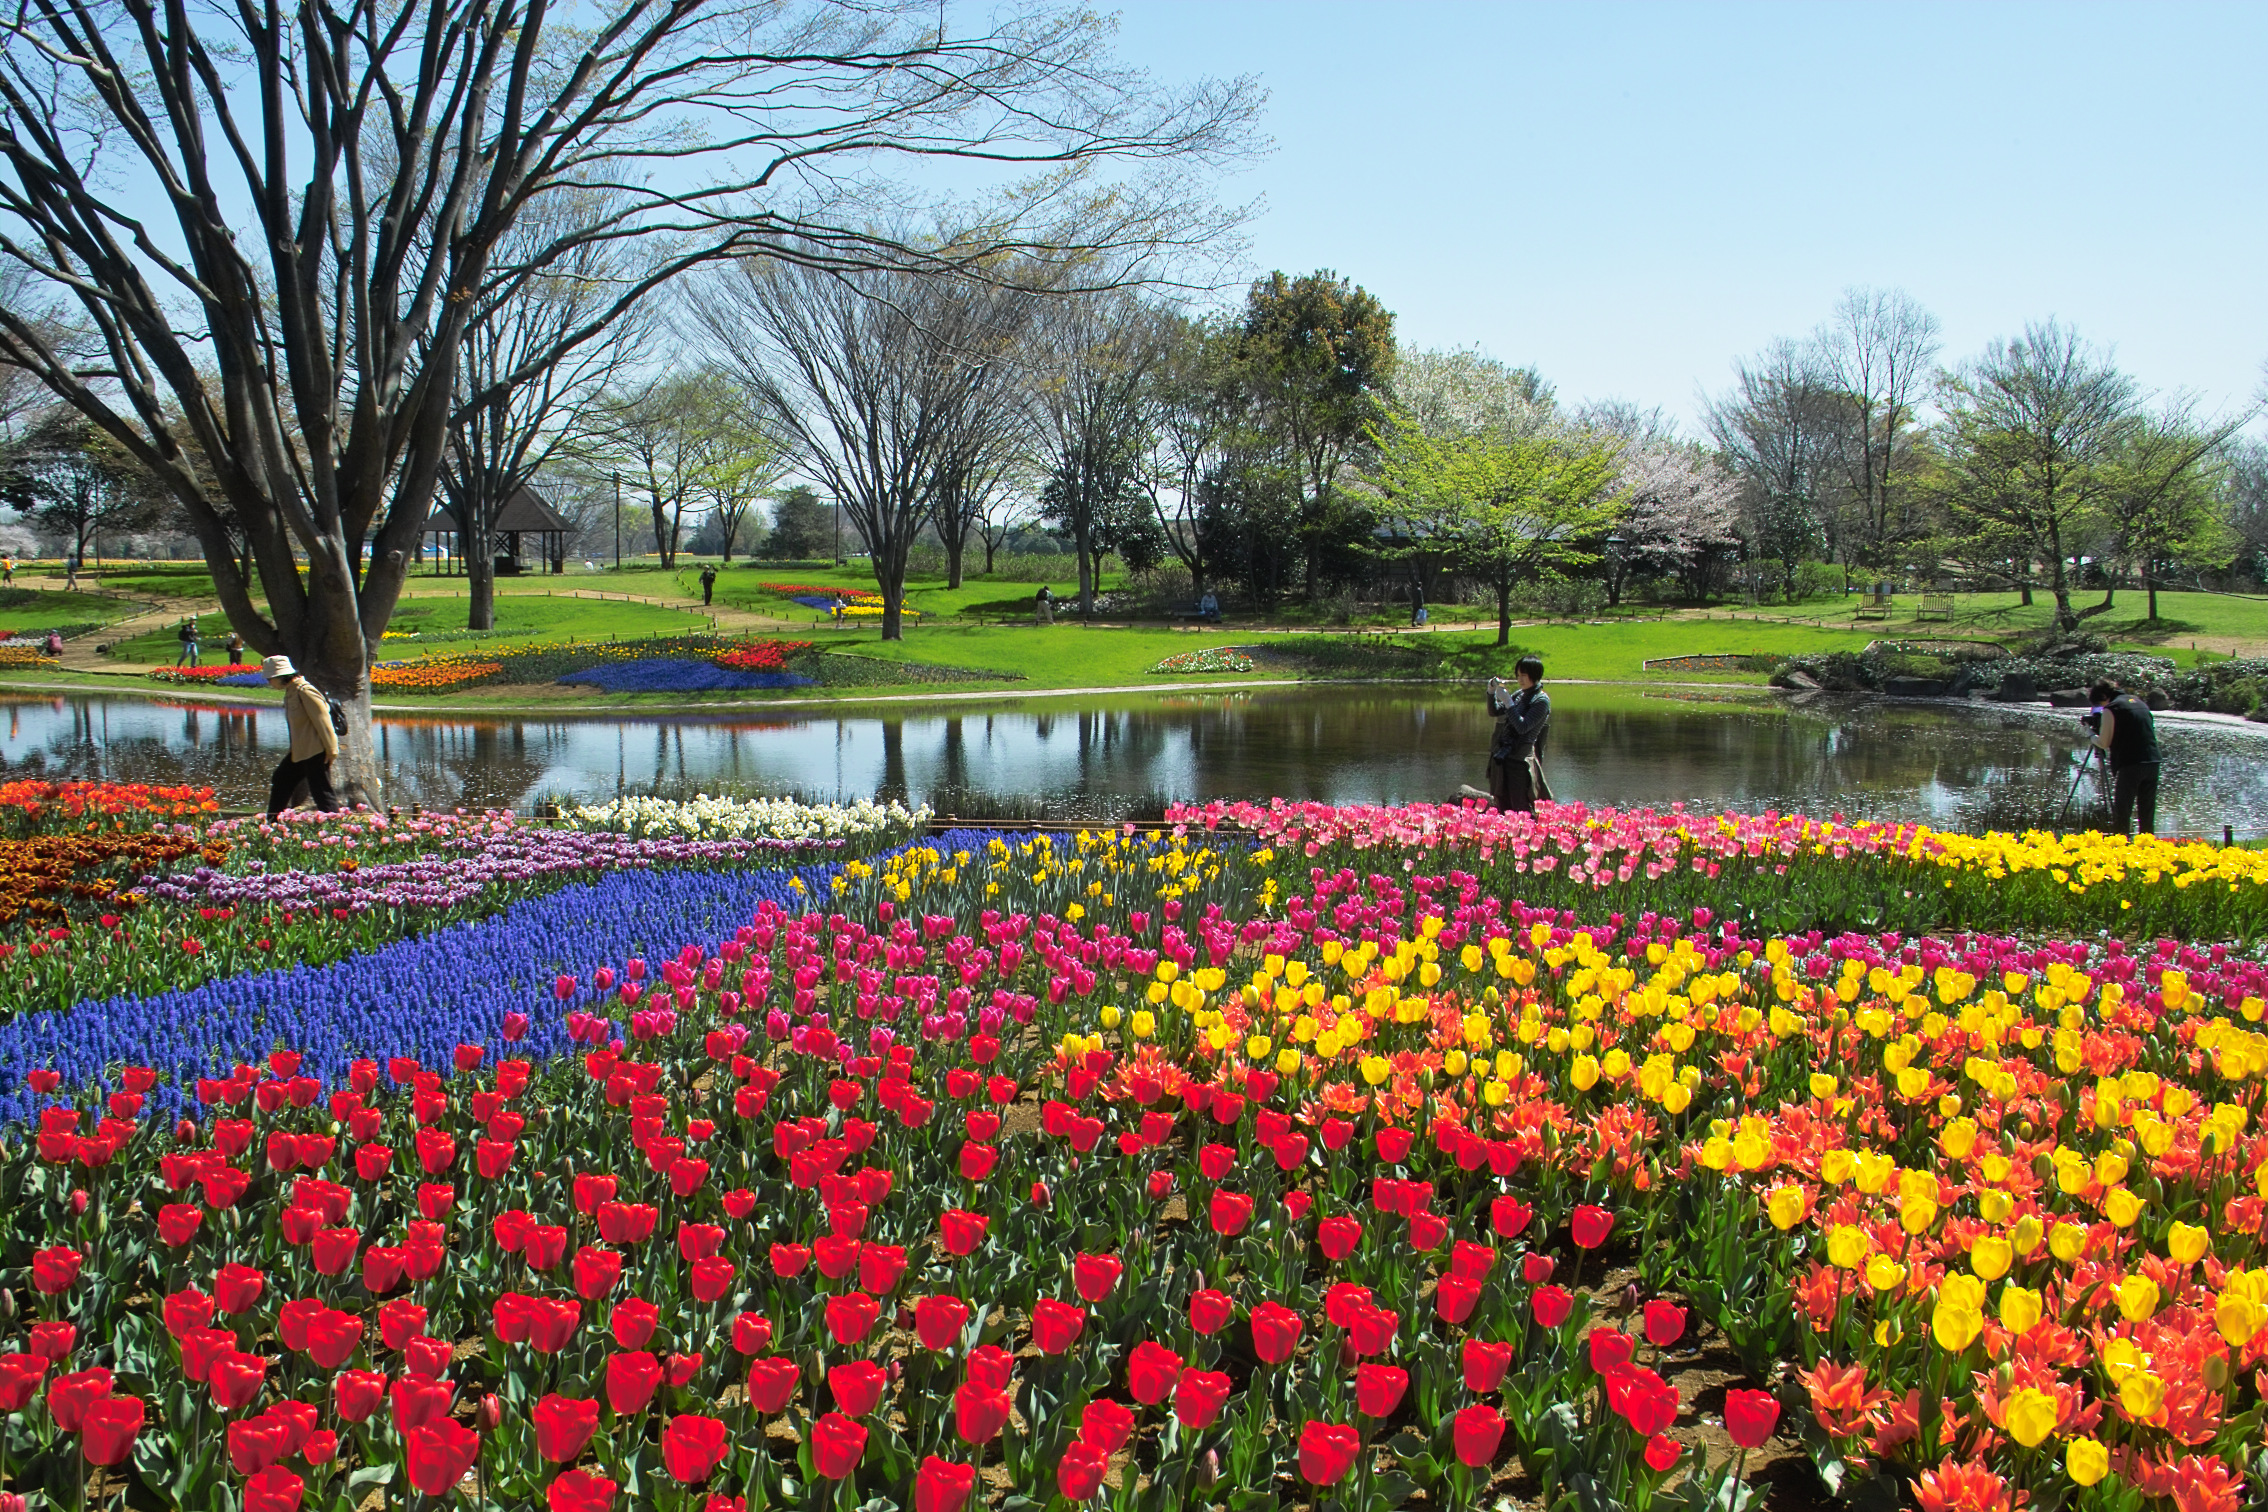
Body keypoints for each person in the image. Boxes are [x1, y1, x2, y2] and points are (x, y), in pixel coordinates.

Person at [262, 654, 342, 817]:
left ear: (280, 676)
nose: (269, 682)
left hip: (315, 751)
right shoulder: (291, 692)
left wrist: (332, 749)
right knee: (281, 780)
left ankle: (336, 827)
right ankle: (272, 823)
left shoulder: (305, 691)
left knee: (321, 791)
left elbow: (323, 721)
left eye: (270, 678)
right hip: (299, 752)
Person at [2088, 677, 2160, 837]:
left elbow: (2104, 742)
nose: (2102, 708)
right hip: (2153, 761)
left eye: (2100, 704)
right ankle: (2148, 848)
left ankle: (2120, 847)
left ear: (2104, 697)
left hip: (2131, 763)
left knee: (2123, 810)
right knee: (2147, 811)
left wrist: (2091, 734)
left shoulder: (2112, 708)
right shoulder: (2140, 702)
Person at [1486, 655, 1552, 814]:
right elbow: (1494, 711)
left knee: (1519, 805)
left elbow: (1523, 727)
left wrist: (1509, 703)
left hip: (1521, 760)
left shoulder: (1541, 700)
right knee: (1502, 804)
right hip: (1504, 756)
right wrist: (1491, 692)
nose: (1520, 679)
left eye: (1524, 675)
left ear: (1534, 674)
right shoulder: (1519, 695)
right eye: (1518, 675)